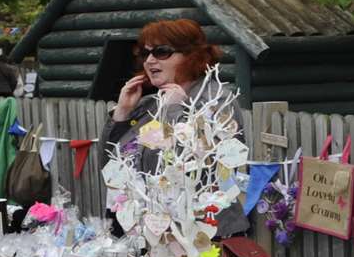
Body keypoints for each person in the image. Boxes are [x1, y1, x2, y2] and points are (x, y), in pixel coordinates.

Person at [100, 19, 249, 237]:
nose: (150, 60)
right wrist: (121, 115)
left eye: (162, 52)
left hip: (205, 236)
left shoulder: (216, 101)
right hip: (152, 235)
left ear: (191, 55)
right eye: (145, 53)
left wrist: (174, 110)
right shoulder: (148, 104)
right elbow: (109, 168)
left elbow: (201, 170)